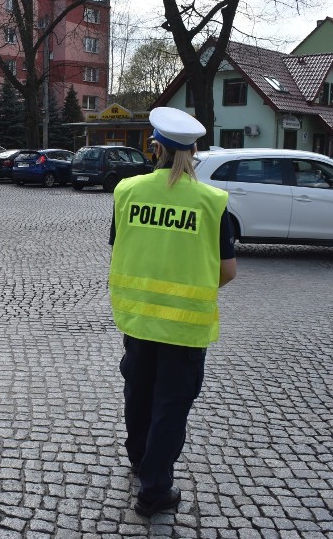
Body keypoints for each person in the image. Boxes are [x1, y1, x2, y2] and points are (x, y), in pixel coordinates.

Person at [108, 107, 237, 517]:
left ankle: (138, 455)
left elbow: (121, 244)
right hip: (185, 328)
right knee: (170, 405)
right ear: (194, 152)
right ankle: (154, 490)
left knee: (139, 393)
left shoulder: (127, 191)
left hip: (139, 319)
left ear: (155, 148)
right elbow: (227, 271)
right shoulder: (212, 202)